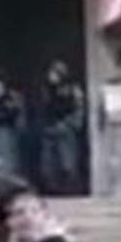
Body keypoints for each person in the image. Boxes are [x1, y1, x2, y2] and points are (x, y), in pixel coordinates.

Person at [34, 61, 86, 198]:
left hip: (65, 129)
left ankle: (71, 191)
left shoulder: (73, 89)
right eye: (51, 72)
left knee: (68, 163)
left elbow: (79, 109)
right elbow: (39, 109)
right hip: (48, 129)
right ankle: (52, 191)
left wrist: (70, 124)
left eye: (56, 73)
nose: (52, 76)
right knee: (47, 164)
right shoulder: (44, 89)